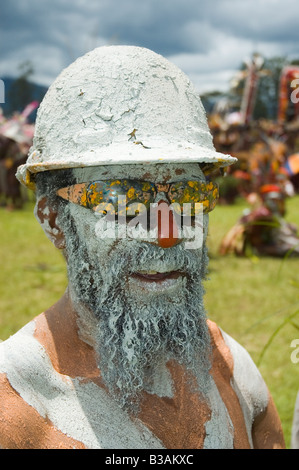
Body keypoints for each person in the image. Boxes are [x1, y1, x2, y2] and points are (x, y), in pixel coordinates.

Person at [0, 46, 285, 449]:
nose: (167, 233)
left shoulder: (234, 373)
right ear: (52, 219)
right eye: (122, 198)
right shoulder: (17, 410)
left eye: (188, 194)